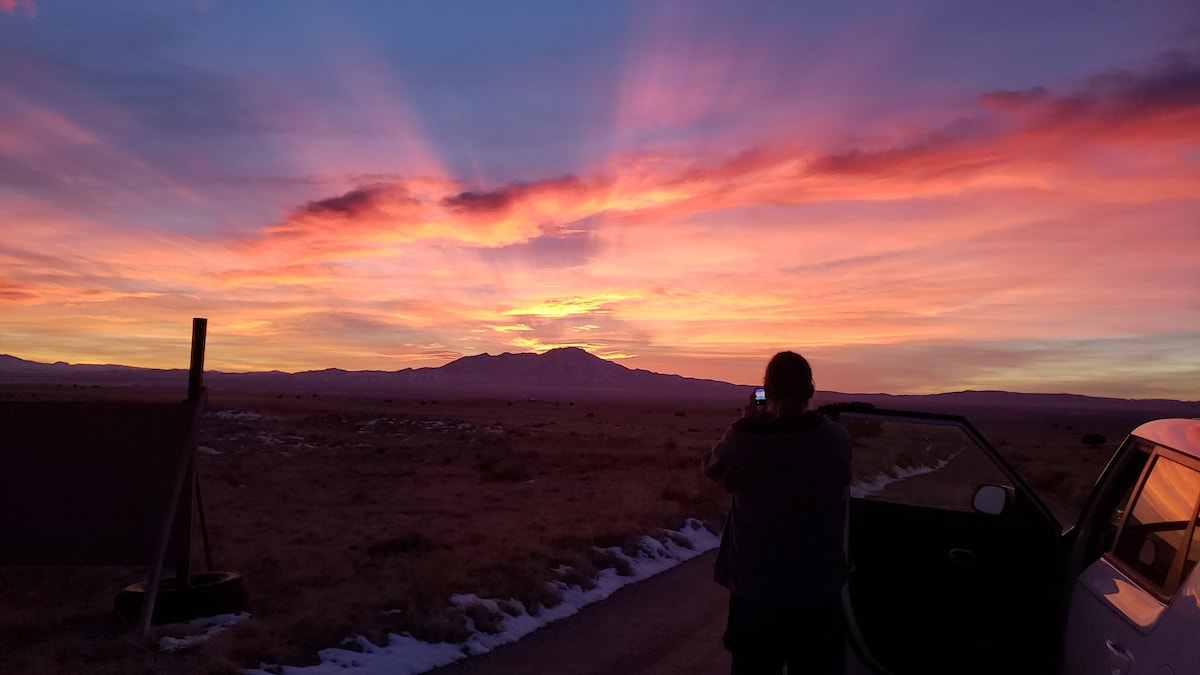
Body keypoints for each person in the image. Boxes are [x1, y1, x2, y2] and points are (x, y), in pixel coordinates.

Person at [702, 351, 852, 675]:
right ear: (810, 392)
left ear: (765, 393)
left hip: (756, 592)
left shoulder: (743, 440)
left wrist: (744, 423)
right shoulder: (835, 438)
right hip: (818, 592)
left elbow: (713, 468)